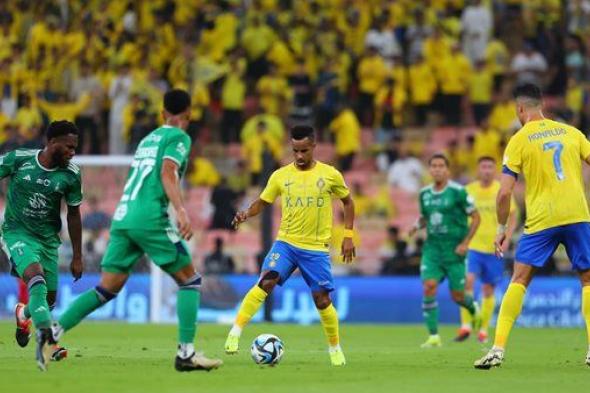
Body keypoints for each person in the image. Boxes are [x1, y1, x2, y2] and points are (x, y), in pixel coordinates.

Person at [50, 89, 222, 372]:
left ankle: (52, 332)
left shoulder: (146, 140)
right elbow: (168, 172)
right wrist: (180, 209)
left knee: (107, 288)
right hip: (149, 218)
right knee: (190, 280)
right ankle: (186, 354)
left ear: (162, 113)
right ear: (189, 114)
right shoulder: (179, 137)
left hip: (123, 217)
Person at [474, 83, 590, 369]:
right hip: (577, 214)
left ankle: (498, 349)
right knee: (588, 281)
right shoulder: (572, 133)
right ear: (543, 105)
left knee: (519, 279)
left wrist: (501, 230)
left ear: (520, 109)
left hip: (541, 219)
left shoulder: (519, 139)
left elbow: (504, 193)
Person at [224, 125, 355, 366]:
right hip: (286, 242)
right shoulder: (280, 175)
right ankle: (235, 332)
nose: (299, 156)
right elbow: (262, 202)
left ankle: (335, 348)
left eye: (304, 150)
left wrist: (348, 235)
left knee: (322, 300)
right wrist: (245, 213)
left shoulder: (330, 175)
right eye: (295, 151)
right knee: (267, 280)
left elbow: (348, 202)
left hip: (315, 248)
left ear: (314, 146)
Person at [5, 121, 83, 370]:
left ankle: (23, 314)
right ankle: (48, 341)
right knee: (35, 280)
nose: (72, 152)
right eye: (68, 147)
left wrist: (78, 256)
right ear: (51, 143)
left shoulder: (71, 174)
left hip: (48, 241)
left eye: (75, 148)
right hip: (16, 233)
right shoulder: (19, 159)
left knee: (47, 301)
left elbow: (73, 214)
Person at [409, 154, 482, 348]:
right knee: (429, 285)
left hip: (454, 250)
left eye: (441, 166)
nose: (437, 169)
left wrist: (466, 242)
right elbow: (426, 217)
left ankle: (473, 307)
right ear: (430, 170)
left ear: (447, 170)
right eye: (433, 166)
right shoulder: (424, 194)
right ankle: (433, 336)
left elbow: (476, 217)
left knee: (457, 296)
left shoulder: (459, 192)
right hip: (433, 249)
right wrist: (416, 226)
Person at [455, 157, 518, 343]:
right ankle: (466, 326)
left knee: (488, 289)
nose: (487, 170)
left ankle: (483, 329)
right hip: (472, 246)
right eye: (483, 166)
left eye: (490, 167)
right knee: (468, 281)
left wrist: (507, 236)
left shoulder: (502, 189)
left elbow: (513, 215)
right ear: (478, 169)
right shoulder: (468, 191)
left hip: (493, 247)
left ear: (495, 170)